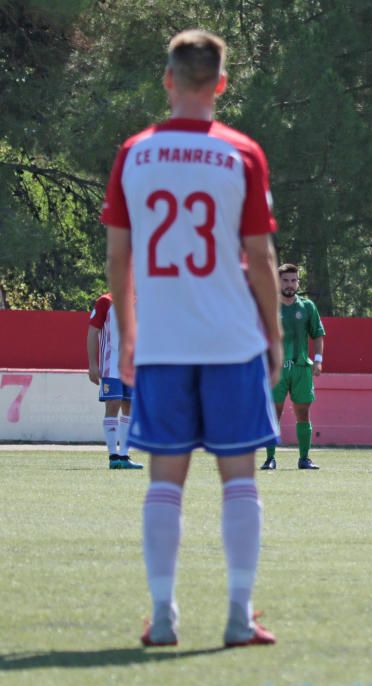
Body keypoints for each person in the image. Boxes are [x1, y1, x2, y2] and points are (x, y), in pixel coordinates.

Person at [102, 30, 280, 647]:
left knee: (163, 483)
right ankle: (238, 611)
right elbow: (259, 258)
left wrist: (128, 334)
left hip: (163, 342)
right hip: (231, 341)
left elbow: (118, 258)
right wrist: (275, 336)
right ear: (222, 85)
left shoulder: (135, 153)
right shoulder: (242, 153)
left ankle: (164, 612)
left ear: (168, 80)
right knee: (240, 479)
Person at [260, 263, 325, 471]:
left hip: (300, 368)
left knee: (303, 413)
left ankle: (304, 458)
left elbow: (317, 334)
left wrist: (318, 360)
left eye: (294, 280)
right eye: (286, 280)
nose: (290, 284)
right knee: (274, 413)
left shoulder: (307, 306)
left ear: (298, 282)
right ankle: (270, 458)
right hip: (276, 368)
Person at [87, 292, 143, 469]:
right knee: (113, 403)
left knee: (129, 407)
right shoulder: (106, 301)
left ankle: (125, 456)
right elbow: (92, 331)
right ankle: (113, 456)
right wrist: (93, 364)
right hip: (111, 364)